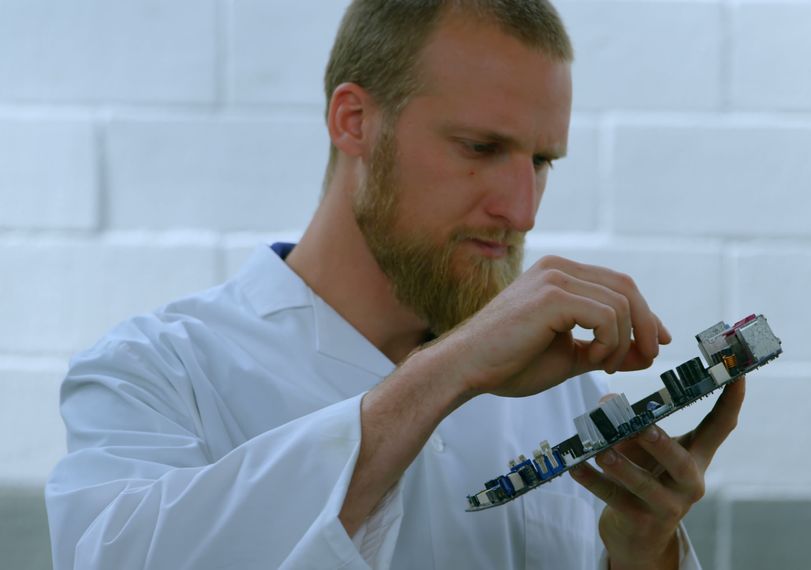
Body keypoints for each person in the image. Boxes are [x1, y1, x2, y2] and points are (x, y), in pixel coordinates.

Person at [45, 1, 745, 568]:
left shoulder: (562, 390)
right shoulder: (157, 371)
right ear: (355, 122)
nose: (522, 208)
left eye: (541, 161)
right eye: (481, 148)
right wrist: (440, 377)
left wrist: (641, 554)